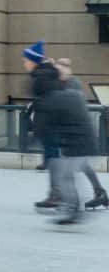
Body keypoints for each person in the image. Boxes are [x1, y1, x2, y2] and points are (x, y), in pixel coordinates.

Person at [37, 72, 100, 225]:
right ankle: (76, 206)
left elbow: (50, 123)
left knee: (65, 176)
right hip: (81, 142)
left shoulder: (57, 98)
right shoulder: (72, 96)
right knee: (67, 173)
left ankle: (74, 209)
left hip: (78, 143)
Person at [55, 58, 108, 210]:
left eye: (62, 69)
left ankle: (72, 201)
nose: (60, 72)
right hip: (71, 132)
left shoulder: (72, 84)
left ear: (67, 69)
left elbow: (70, 108)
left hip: (76, 132)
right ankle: (99, 193)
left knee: (67, 166)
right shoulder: (63, 84)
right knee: (80, 165)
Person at [23, 41, 66, 208]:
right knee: (56, 160)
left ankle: (58, 194)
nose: (24, 63)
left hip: (50, 126)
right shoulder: (45, 74)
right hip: (50, 125)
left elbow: (47, 102)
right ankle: (59, 194)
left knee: (55, 160)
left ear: (33, 60)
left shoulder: (41, 77)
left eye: (25, 60)